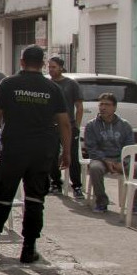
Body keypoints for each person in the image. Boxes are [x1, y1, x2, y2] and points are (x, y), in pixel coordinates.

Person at [0, 45, 71, 264]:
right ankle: (28, 249)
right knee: (34, 200)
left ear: (21, 62)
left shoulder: (10, 84)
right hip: (42, 152)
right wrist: (67, 152)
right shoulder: (52, 88)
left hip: (14, 150)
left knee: (1, 198)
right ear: (42, 64)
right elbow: (64, 123)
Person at [83, 93, 135, 213]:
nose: (103, 107)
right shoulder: (91, 125)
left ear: (115, 107)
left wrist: (121, 162)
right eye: (101, 104)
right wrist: (106, 161)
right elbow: (91, 148)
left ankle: (134, 204)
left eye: (107, 104)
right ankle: (101, 202)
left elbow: (129, 147)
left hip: (120, 159)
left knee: (136, 168)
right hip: (101, 159)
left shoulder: (125, 125)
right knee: (95, 168)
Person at [47, 56, 84, 197]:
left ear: (61, 68)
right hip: (51, 127)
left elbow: (79, 106)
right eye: (49, 67)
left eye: (54, 67)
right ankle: (56, 182)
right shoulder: (48, 84)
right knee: (51, 155)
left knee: (72, 157)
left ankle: (77, 186)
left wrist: (77, 126)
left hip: (69, 126)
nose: (51, 70)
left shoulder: (71, 84)